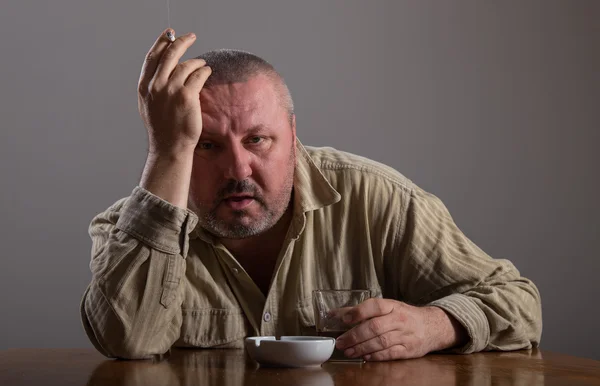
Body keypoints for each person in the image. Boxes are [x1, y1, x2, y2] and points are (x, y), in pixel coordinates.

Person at [80, 29, 542, 360]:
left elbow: (517, 302)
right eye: (207, 145)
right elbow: (127, 341)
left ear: (294, 136)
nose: (238, 170)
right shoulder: (130, 231)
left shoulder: (377, 199)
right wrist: (167, 150)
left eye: (258, 140)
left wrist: (435, 326)